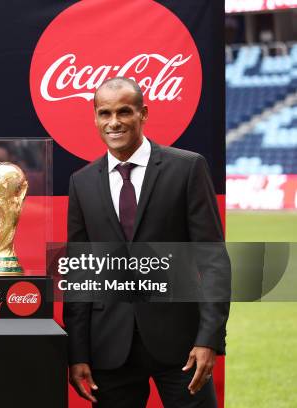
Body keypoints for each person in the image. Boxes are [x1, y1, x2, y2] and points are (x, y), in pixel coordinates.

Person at [64, 77, 230, 407]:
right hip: (108, 347)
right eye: (104, 113)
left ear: (144, 113)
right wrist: (77, 353)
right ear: (95, 117)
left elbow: (212, 260)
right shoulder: (81, 182)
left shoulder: (187, 168)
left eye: (124, 111)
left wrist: (209, 338)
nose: (114, 122)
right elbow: (80, 274)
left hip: (183, 345)